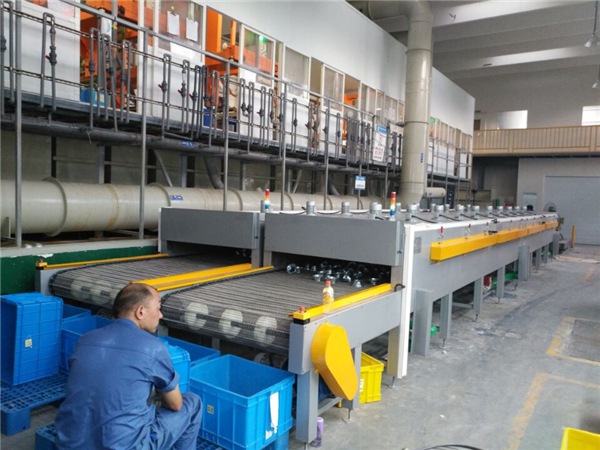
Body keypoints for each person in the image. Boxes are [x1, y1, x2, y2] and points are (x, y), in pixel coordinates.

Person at [55, 283, 202, 450]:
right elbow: (175, 404)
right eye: (158, 308)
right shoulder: (153, 347)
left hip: (68, 444)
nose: (160, 315)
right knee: (193, 403)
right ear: (140, 312)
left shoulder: (86, 339)